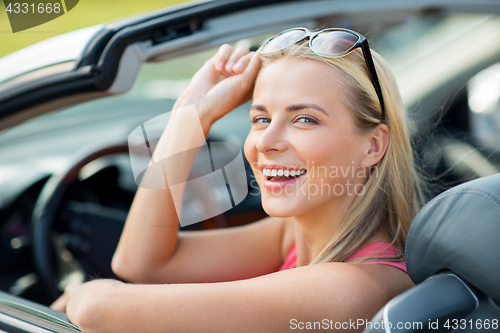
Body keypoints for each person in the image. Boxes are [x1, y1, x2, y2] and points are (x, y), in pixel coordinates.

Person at [50, 27, 424, 332]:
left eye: (304, 119)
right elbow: (140, 263)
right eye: (261, 118)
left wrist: (81, 292)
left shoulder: (355, 288)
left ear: (373, 145)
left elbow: (100, 311)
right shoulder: (294, 234)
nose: (266, 142)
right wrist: (191, 113)